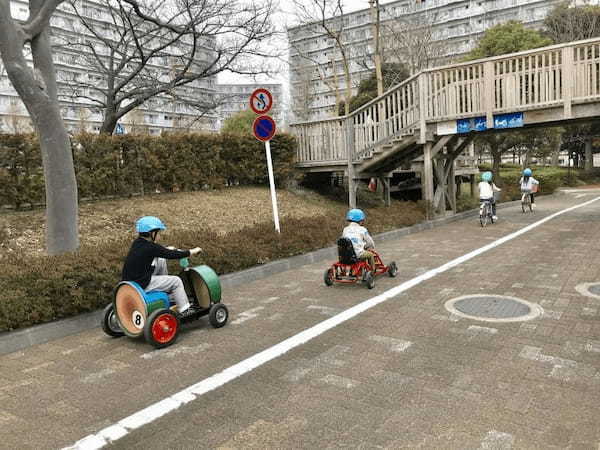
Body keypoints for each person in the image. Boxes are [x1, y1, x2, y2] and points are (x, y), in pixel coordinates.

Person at [121, 216, 202, 318]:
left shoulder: (138, 243)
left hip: (130, 285)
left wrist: (167, 249)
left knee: (161, 259)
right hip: (142, 284)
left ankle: (165, 290)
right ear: (152, 233)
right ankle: (185, 309)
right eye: (158, 232)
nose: (159, 235)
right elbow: (170, 254)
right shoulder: (151, 247)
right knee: (176, 281)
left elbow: (159, 252)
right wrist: (192, 251)